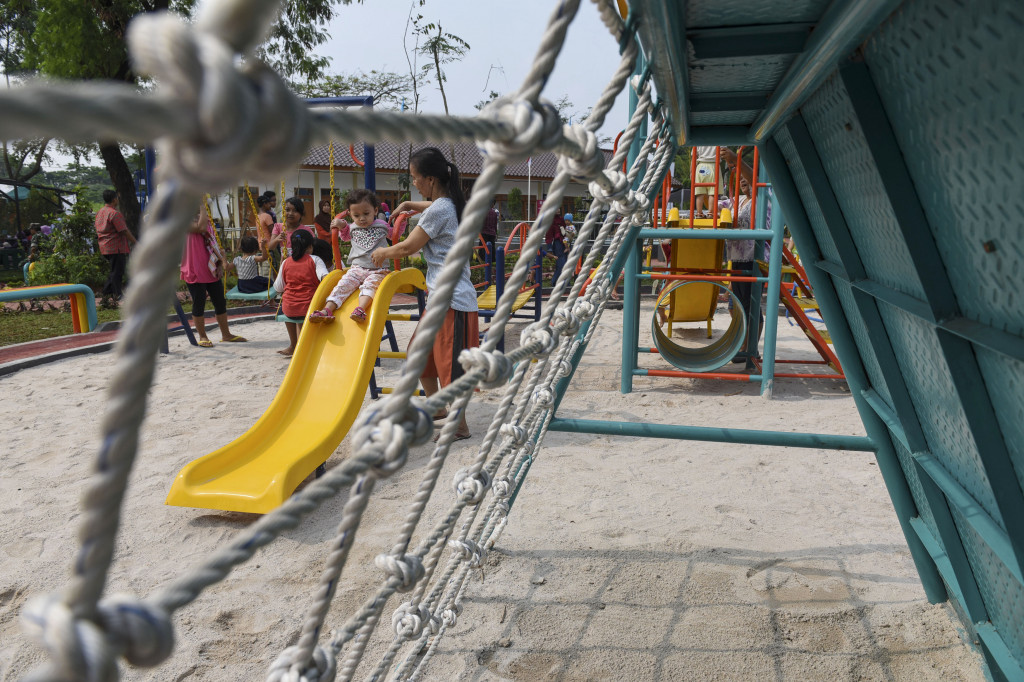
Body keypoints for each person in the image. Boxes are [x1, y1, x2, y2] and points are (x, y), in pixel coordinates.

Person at [372, 147, 478, 441]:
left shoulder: (441, 209)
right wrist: (408, 203)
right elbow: (432, 207)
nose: (414, 183)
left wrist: (383, 252)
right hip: (441, 298)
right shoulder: (451, 202)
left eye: (416, 179)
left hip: (453, 300)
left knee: (451, 364)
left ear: (430, 179)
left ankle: (460, 425)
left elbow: (408, 247)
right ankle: (438, 407)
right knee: (418, 353)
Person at [310, 189, 390, 323]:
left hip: (378, 269)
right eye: (356, 215)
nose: (362, 218)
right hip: (357, 268)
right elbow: (346, 237)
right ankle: (327, 310)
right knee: (343, 285)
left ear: (375, 211)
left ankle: (361, 309)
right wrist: (342, 225)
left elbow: (394, 235)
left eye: (366, 213)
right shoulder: (353, 227)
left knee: (370, 286)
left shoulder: (382, 226)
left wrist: (402, 221)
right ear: (350, 214)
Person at [181, 204, 246, 347]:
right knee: (199, 303)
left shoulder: (205, 220)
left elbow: (213, 244)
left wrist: (219, 263)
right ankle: (203, 336)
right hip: (194, 268)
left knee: (220, 302)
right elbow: (201, 228)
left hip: (210, 268)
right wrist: (202, 206)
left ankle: (226, 334)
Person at [721, 148, 764, 362]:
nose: (742, 182)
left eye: (745, 178)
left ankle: (750, 348)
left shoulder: (761, 195)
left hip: (753, 256)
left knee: (750, 304)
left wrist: (737, 161)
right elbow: (722, 209)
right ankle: (744, 345)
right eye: (739, 180)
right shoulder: (737, 200)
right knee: (739, 304)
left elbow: (754, 182)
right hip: (736, 257)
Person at [274, 229, 329, 356]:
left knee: (291, 304)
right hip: (309, 307)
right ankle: (303, 349)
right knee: (308, 307)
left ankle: (295, 346)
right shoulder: (315, 259)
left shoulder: (286, 262)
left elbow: (278, 288)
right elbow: (325, 278)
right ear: (310, 246)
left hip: (289, 309)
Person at [94, 189, 138, 300]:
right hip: (116, 246)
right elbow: (123, 230)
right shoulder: (114, 213)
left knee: (114, 270)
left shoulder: (101, 212)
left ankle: (107, 292)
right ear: (114, 199)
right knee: (118, 271)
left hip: (105, 246)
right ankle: (117, 294)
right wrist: (135, 242)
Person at [693, 146, 722, 217]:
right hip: (713, 165)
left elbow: (694, 156)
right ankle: (711, 213)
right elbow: (723, 152)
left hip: (700, 166)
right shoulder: (720, 138)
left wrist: (692, 171)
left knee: (700, 193)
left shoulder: (698, 141)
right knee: (713, 193)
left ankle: (699, 213)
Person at [544, 211, 568, 286]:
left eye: (559, 208)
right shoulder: (551, 221)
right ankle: (554, 282)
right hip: (558, 244)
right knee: (561, 264)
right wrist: (549, 249)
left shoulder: (562, 220)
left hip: (565, 243)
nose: (558, 210)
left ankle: (564, 283)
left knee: (565, 264)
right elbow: (549, 236)